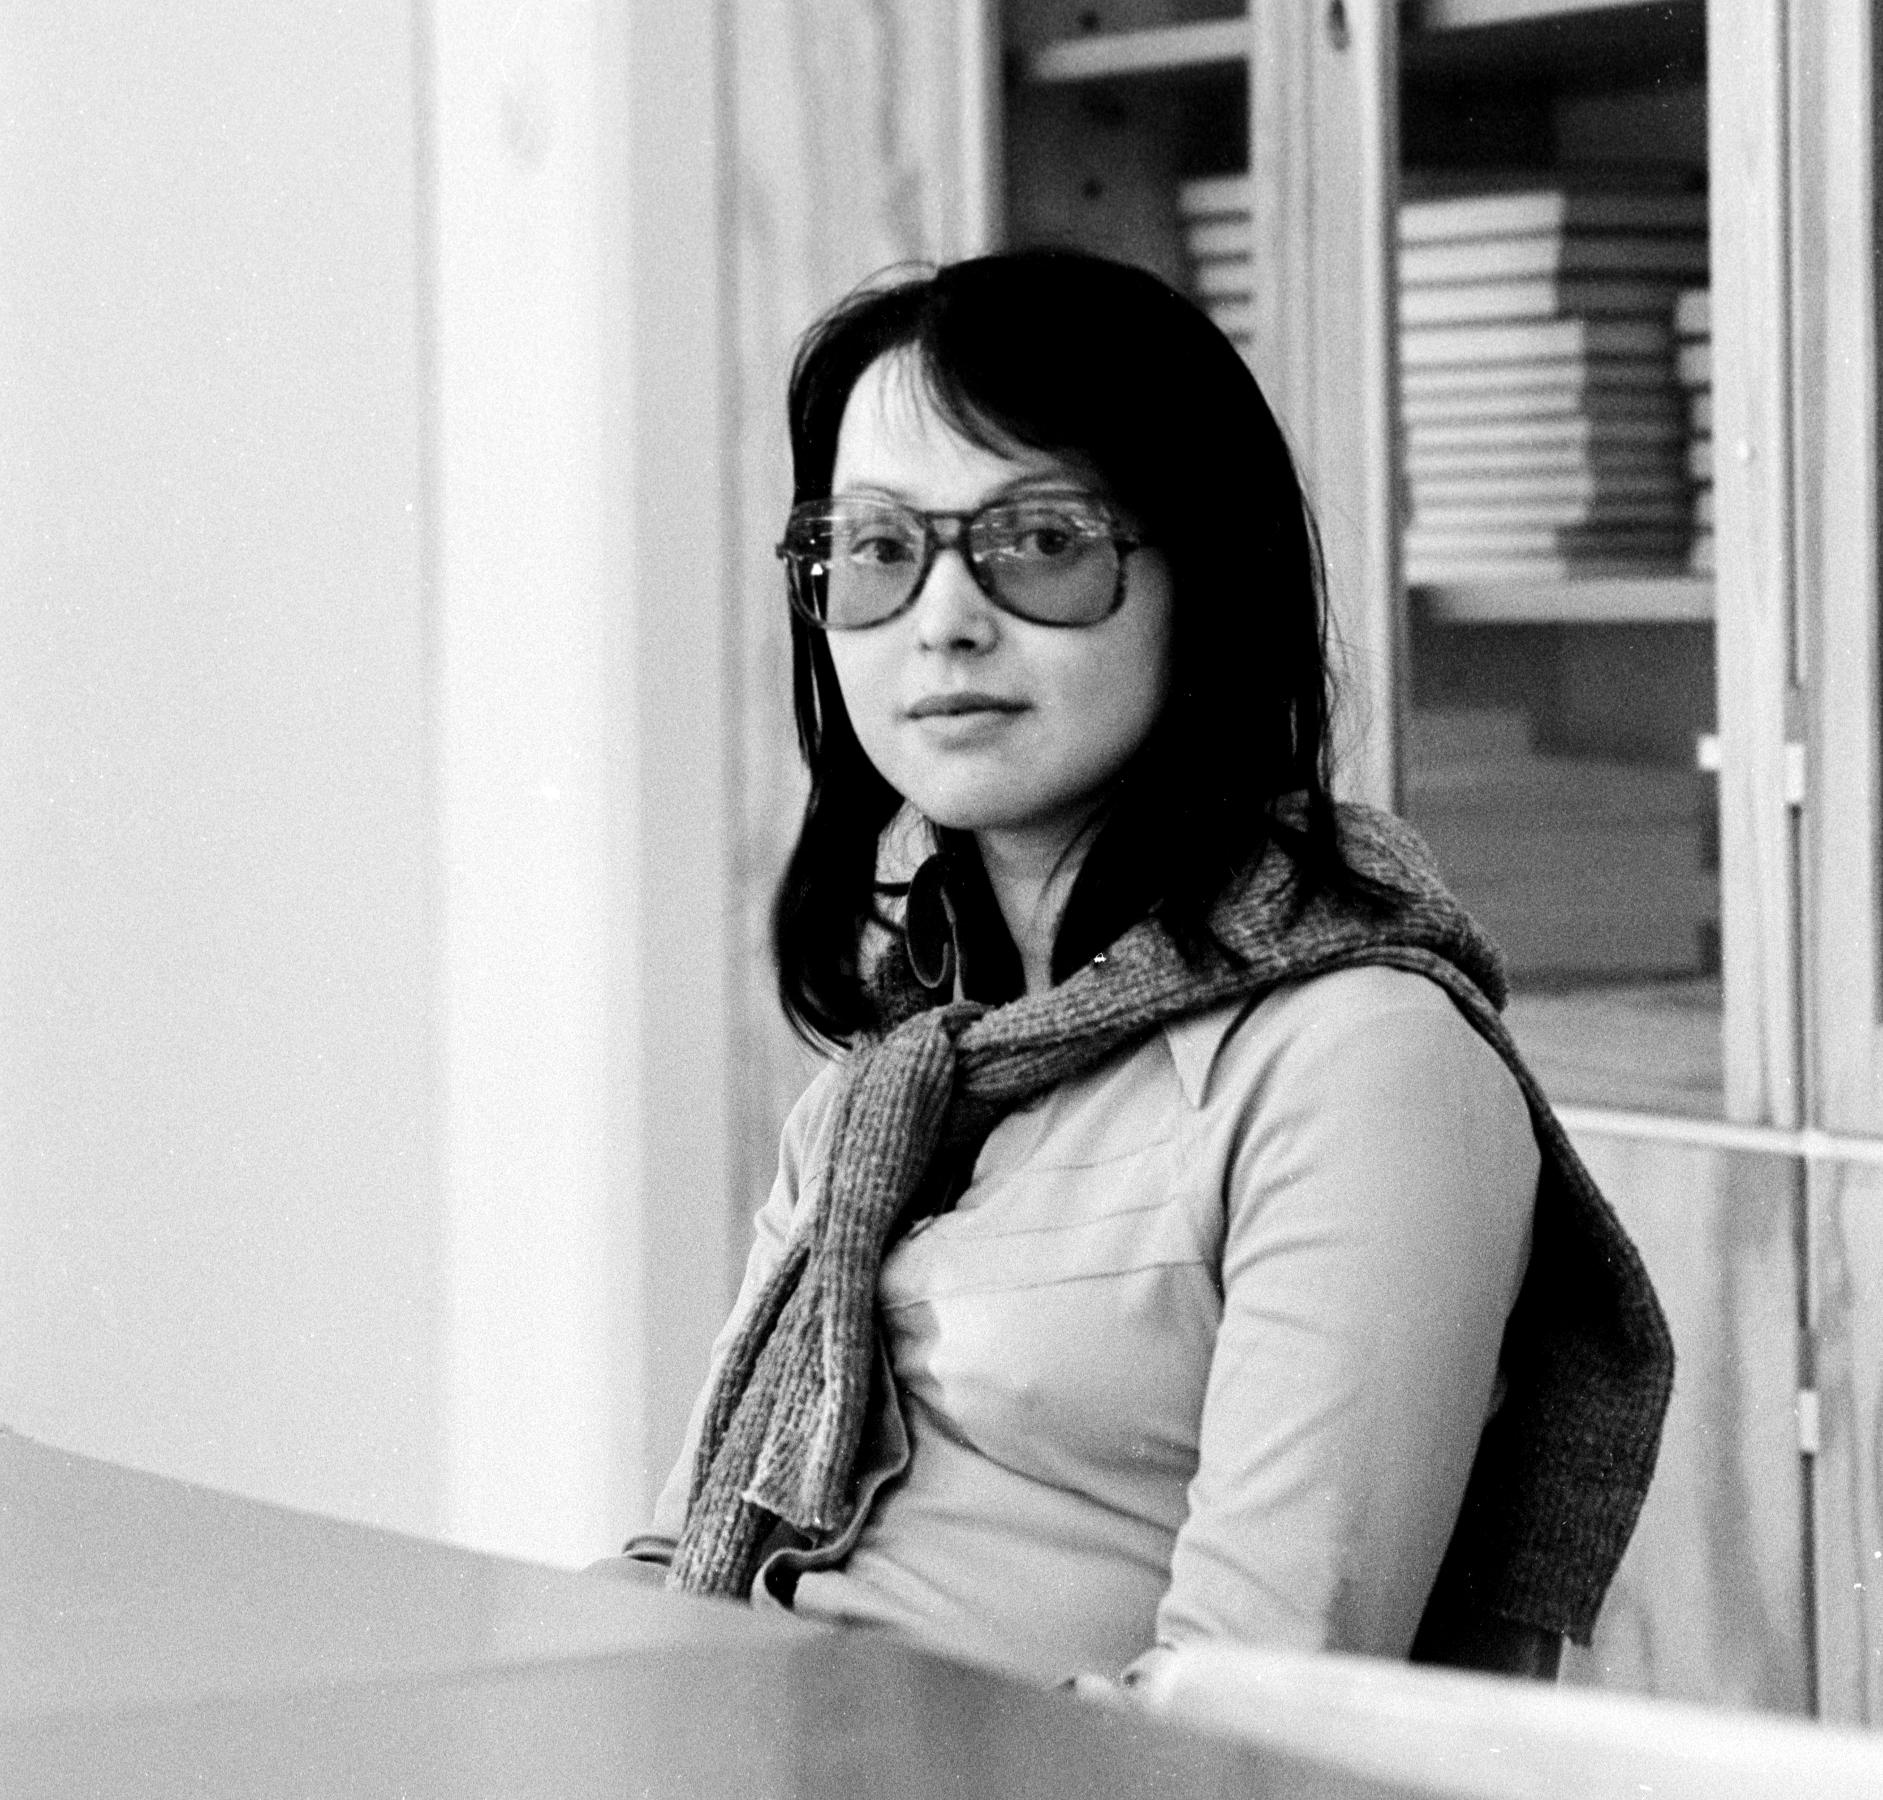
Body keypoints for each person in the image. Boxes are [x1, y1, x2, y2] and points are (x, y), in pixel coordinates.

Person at [611, 248, 1673, 1691]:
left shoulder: (1360, 1061)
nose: (943, 619)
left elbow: (1249, 1713)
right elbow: (681, 1559)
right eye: (875, 550)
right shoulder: (894, 1088)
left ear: (1207, 582)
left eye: (1041, 540)